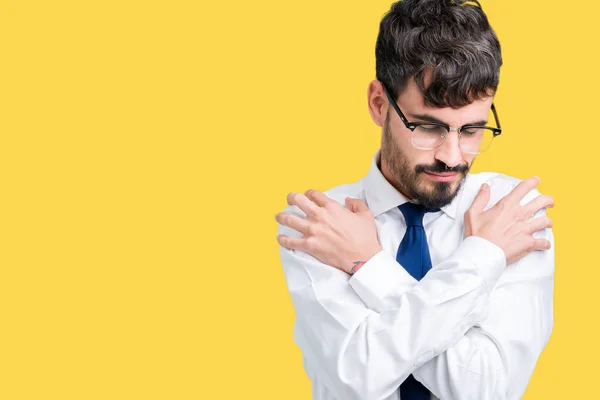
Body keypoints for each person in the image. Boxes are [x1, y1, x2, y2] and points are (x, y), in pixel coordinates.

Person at [275, 0, 555, 399]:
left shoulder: (511, 214)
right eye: (428, 127)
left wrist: (368, 266)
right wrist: (484, 260)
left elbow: (486, 390)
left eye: (472, 130)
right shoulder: (321, 222)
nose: (452, 157)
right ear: (378, 104)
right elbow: (359, 380)